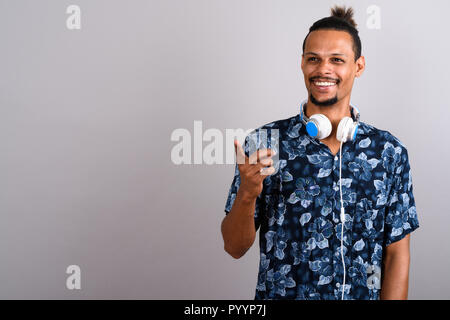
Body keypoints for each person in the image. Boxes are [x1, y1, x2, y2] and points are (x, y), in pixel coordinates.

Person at [221, 6, 420, 300]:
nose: (323, 69)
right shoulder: (264, 143)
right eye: (314, 59)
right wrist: (248, 193)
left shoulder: (389, 152)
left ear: (358, 66)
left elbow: (396, 256)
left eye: (336, 60)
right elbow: (234, 247)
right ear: (302, 63)